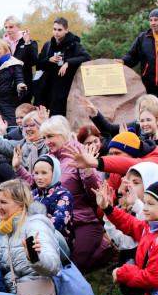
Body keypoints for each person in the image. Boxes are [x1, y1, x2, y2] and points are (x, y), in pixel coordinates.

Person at [16, 116, 110, 270]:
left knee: (73, 265)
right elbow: (35, 184)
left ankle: (104, 247)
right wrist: (19, 168)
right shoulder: (48, 158)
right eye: (45, 137)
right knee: (53, 262)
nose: (47, 142)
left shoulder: (80, 153)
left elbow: (95, 196)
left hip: (83, 221)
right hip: (55, 222)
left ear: (63, 134)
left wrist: (87, 170)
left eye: (50, 136)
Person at [120, 7, 158, 116]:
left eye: (156, 20)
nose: (153, 23)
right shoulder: (143, 38)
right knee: (151, 117)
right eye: (151, 20)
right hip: (149, 87)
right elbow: (132, 56)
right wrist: (122, 62)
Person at [33, 17, 91, 116]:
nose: (56, 32)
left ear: (66, 30)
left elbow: (86, 57)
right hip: (46, 90)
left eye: (59, 30)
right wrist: (49, 60)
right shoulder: (48, 45)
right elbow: (38, 64)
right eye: (54, 29)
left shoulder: (74, 44)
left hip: (64, 90)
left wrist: (68, 63)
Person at [0, 110, 48, 174]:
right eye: (25, 126)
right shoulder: (20, 145)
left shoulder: (49, 144)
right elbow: (0, 145)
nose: (28, 129)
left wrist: (47, 127)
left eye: (31, 125)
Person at [2, 16, 39, 102]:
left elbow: (33, 61)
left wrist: (27, 44)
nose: (8, 30)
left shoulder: (30, 42)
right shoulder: (3, 44)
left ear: (18, 27)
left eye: (11, 27)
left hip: (24, 85)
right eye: (6, 27)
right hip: (7, 87)